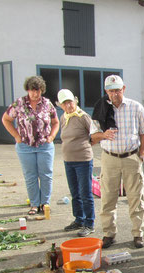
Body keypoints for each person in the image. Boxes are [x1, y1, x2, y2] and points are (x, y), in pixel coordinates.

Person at [90, 75, 144, 249]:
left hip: (131, 157)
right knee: (108, 198)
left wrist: (141, 155)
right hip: (109, 158)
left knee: (136, 198)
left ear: (124, 89)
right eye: (111, 91)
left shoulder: (135, 107)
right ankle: (109, 233)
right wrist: (103, 135)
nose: (114, 94)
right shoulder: (101, 108)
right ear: (106, 91)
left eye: (117, 90)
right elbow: (93, 136)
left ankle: (138, 234)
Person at [2, 76, 59, 216]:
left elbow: (55, 122)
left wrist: (51, 137)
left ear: (42, 90)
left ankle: (45, 202)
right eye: (33, 91)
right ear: (28, 90)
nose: (35, 94)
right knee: (30, 175)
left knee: (46, 175)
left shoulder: (47, 104)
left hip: (44, 146)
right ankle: (34, 204)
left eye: (38, 91)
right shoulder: (19, 104)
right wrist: (16, 136)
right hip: (25, 146)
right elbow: (6, 119)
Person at [56, 89, 95, 237]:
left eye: (70, 102)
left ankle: (89, 223)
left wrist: (85, 146)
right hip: (68, 160)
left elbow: (95, 135)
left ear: (75, 101)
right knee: (75, 193)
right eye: (65, 103)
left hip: (83, 160)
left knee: (85, 193)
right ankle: (79, 219)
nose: (68, 105)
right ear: (61, 105)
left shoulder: (83, 116)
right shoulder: (63, 117)